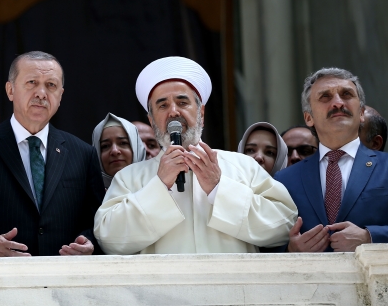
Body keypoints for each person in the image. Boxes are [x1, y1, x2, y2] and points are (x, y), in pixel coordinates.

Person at [94, 56, 297, 254]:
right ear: (151, 119)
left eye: (182, 103)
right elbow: (109, 240)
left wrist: (219, 188)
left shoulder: (243, 165)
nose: (173, 111)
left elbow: (283, 226)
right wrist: (159, 185)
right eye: (163, 105)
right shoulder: (130, 177)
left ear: (201, 112)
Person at [0, 51, 105, 257]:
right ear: (10, 90)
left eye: (51, 85)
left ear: (61, 95)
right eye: (32, 82)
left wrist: (89, 242)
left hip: (62, 280)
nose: (41, 93)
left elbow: (100, 222)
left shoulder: (82, 154)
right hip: (0, 280)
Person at [275, 68, 388, 252]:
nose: (337, 103)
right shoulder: (284, 181)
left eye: (346, 94)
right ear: (309, 117)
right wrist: (290, 251)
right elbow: (263, 245)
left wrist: (370, 237)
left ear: (361, 113)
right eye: (325, 97)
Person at [92, 113, 147, 189]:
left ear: (137, 149)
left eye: (123, 143)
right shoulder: (86, 198)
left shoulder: (159, 188)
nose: (114, 151)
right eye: (105, 146)